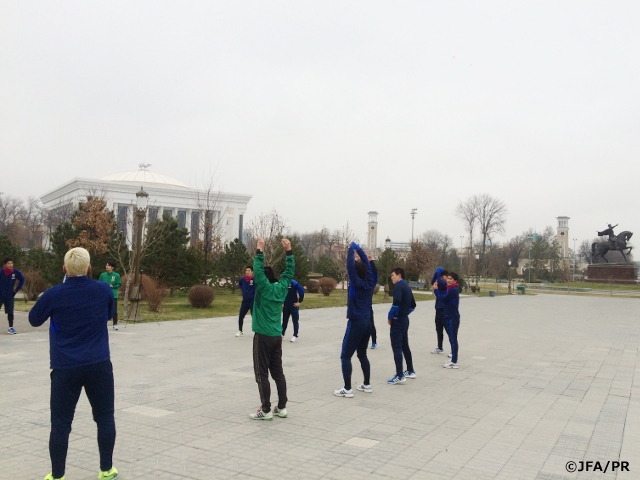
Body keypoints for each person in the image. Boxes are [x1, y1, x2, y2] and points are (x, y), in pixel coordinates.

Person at [28, 247, 118, 480]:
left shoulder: (54, 294)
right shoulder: (102, 289)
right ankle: (106, 469)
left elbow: (34, 319)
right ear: (89, 269)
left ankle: (57, 475)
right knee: (105, 417)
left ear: (64, 269)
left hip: (65, 366)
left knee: (60, 423)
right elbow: (109, 314)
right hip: (98, 363)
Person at [250, 237, 294, 420]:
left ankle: (266, 409)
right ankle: (282, 407)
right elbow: (289, 272)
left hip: (262, 336)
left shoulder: (263, 289)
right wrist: (289, 251)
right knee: (278, 372)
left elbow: (258, 272)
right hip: (277, 336)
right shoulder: (282, 287)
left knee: (262, 374)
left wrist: (260, 250)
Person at [334, 243, 377, 398]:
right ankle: (366, 384)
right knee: (362, 354)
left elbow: (350, 266)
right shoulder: (370, 281)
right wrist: (358, 250)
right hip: (367, 322)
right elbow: (367, 265)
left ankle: (347, 388)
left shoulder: (356, 283)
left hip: (356, 321)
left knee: (345, 355)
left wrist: (351, 250)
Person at [387, 267, 416, 385]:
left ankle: (399, 375)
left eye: (393, 275)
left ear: (399, 275)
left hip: (398, 321)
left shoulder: (399, 286)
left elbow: (396, 302)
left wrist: (391, 316)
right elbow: (413, 305)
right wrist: (405, 313)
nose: (391, 278)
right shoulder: (407, 286)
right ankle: (410, 370)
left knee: (397, 347)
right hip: (405, 320)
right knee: (405, 346)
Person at [433, 271, 461, 369]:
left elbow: (442, 298)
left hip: (452, 317)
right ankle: (454, 359)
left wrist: (435, 290)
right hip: (449, 316)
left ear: (455, 281)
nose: (448, 280)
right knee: (452, 338)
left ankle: (454, 361)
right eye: (448, 278)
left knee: (453, 339)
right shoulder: (450, 288)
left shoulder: (453, 290)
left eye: (450, 279)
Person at [1, 257, 25, 335]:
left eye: (12, 263)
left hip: (10, 295)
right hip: (0, 295)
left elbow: (22, 280)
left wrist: (16, 290)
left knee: (10, 312)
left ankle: (11, 327)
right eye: (9, 263)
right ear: (5, 265)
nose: (11, 265)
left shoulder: (16, 272)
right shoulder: (1, 273)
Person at [429, 267, 448, 354]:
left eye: (442, 277)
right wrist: (435, 274)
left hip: (445, 309)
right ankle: (440, 347)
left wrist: (438, 273)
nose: (441, 278)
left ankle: (453, 350)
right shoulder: (439, 283)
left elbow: (440, 282)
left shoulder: (446, 284)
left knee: (448, 329)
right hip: (438, 308)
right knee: (438, 328)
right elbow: (432, 282)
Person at [99, 262, 122, 330]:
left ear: (112, 267)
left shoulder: (116, 275)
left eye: (109, 265)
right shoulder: (102, 275)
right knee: (104, 309)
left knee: (114, 310)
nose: (107, 266)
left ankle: (115, 324)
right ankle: (104, 323)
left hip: (113, 294)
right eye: (106, 265)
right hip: (104, 294)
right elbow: (99, 283)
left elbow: (119, 284)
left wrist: (113, 286)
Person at [236, 266, 255, 337]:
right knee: (241, 315)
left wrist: (253, 294)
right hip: (245, 301)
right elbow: (240, 284)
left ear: (252, 272)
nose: (247, 272)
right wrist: (243, 289)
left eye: (249, 270)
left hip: (252, 301)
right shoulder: (243, 279)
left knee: (254, 316)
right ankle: (240, 331)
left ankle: (256, 331)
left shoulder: (254, 280)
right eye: (246, 270)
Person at [368, 255, 378, 349]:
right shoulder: (358, 284)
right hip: (359, 309)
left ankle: (374, 341)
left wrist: (371, 262)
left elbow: (375, 275)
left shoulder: (369, 285)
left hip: (368, 308)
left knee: (371, 325)